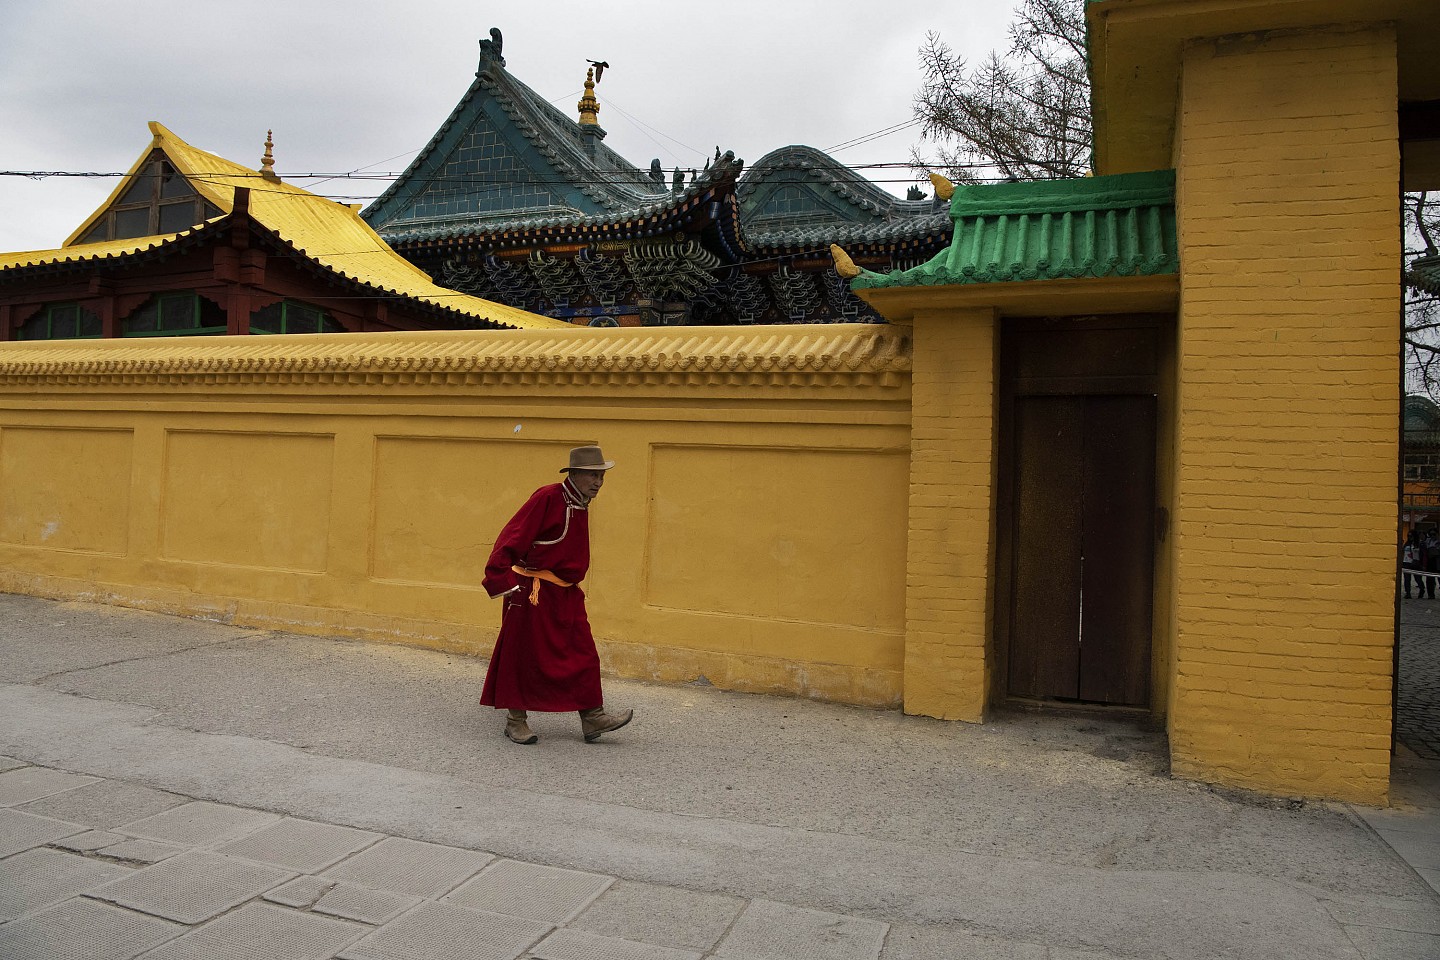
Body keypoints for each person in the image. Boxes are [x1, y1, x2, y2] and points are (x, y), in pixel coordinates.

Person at [480, 446, 633, 745]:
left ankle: (592, 716)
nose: (598, 481)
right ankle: (516, 720)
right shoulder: (547, 497)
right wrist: (503, 580)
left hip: (565, 594)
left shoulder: (580, 502)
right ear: (573, 474)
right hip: (533, 592)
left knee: (583, 652)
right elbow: (511, 537)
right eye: (592, 475)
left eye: (601, 476)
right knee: (521, 656)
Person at [1403, 531, 1422, 599]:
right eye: (1408, 536)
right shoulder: (1407, 544)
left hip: (1415, 563)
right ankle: (1408, 593)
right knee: (1407, 579)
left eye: (1411, 536)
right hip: (1406, 562)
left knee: (1418, 578)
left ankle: (1422, 589)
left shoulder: (1418, 544)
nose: (1409, 537)